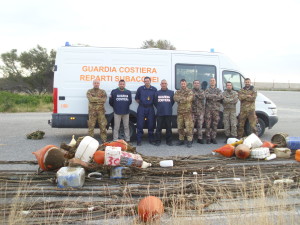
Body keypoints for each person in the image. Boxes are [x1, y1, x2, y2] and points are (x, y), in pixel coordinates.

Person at [135, 76, 157, 146]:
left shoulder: (154, 89)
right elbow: (137, 98)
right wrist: (143, 104)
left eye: (148, 81)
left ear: (150, 81)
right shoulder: (140, 89)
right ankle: (139, 140)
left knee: (151, 124)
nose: (147, 82)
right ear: (144, 82)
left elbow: (156, 100)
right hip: (142, 108)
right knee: (140, 124)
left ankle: (151, 139)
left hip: (150, 108)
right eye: (145, 81)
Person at [174, 79, 194, 148]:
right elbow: (175, 98)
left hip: (187, 113)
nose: (183, 85)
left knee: (189, 127)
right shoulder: (177, 92)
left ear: (186, 84)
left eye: (184, 83)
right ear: (180, 84)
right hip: (180, 112)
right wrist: (184, 99)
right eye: (182, 83)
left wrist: (180, 99)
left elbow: (189, 99)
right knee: (180, 127)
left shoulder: (190, 91)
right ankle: (181, 140)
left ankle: (189, 140)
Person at [154, 79, 174, 146]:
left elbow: (172, 102)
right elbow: (155, 102)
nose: (164, 84)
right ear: (160, 85)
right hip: (160, 113)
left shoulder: (171, 92)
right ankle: (158, 141)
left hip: (168, 113)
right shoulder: (157, 93)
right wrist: (160, 107)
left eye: (165, 83)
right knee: (158, 128)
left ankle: (169, 141)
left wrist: (167, 107)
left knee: (169, 128)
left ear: (167, 84)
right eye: (162, 83)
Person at [205, 77, 223, 144]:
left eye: (213, 81)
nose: (212, 82)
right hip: (208, 110)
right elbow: (206, 96)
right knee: (208, 124)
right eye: (211, 81)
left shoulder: (218, 90)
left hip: (216, 110)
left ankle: (214, 138)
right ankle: (208, 138)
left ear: (215, 82)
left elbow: (221, 96)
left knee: (215, 124)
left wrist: (211, 96)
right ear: (210, 82)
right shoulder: (207, 90)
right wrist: (215, 96)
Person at [192, 80, 205, 144]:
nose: (196, 84)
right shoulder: (190, 91)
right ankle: (190, 138)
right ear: (193, 84)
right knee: (191, 125)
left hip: (200, 111)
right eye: (195, 83)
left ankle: (200, 138)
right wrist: (196, 95)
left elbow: (202, 97)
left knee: (200, 125)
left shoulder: (202, 91)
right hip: (192, 111)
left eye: (198, 83)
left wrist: (195, 95)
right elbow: (191, 98)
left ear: (199, 84)